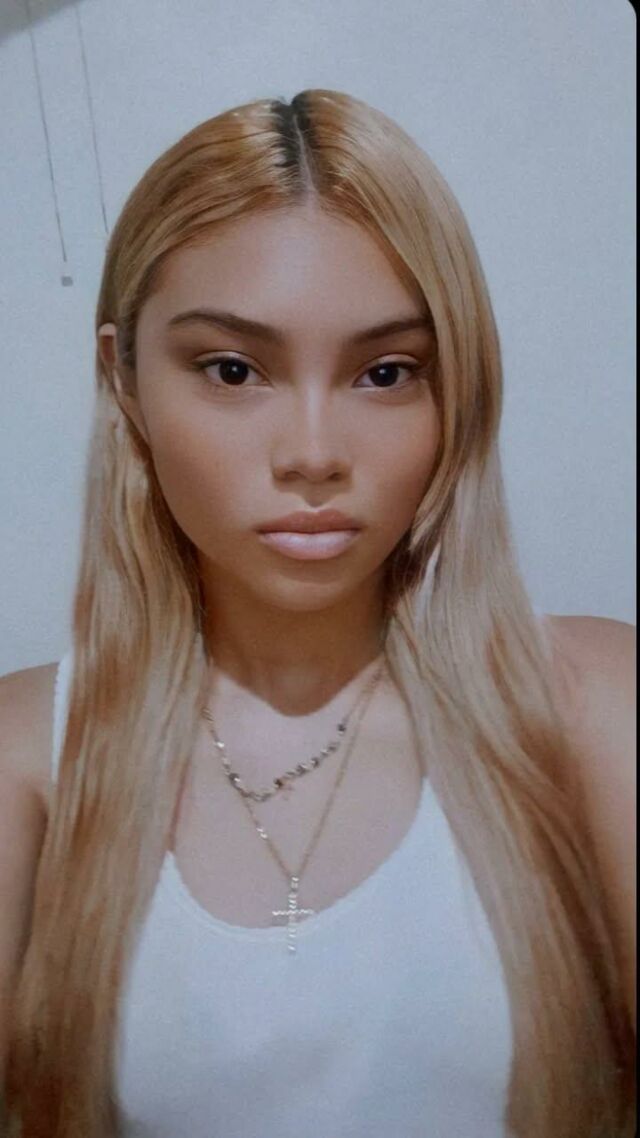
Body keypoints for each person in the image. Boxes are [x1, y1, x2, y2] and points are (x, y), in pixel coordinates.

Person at [0, 89, 635, 1138]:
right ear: (125, 381)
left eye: (385, 373)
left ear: (457, 390)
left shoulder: (590, 708)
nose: (312, 453)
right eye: (233, 369)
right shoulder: (30, 756)